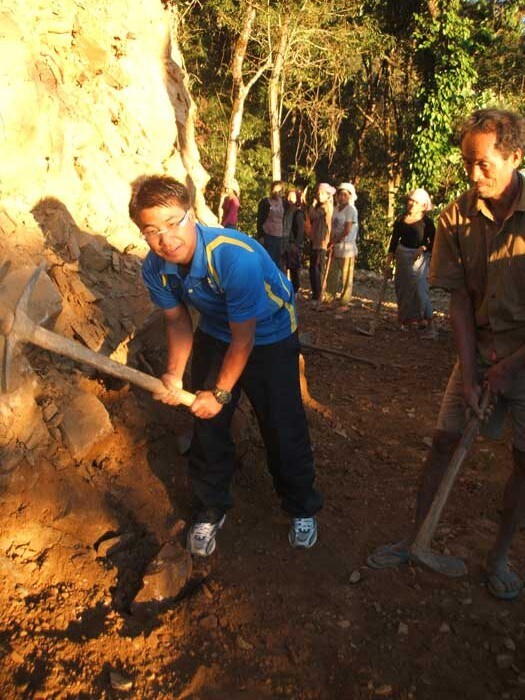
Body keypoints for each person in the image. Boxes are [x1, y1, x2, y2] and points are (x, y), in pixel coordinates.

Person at [367, 108, 525, 600]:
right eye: (465, 164)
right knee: (442, 441)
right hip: (476, 353)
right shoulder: (456, 216)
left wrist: (508, 368)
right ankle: (417, 537)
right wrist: (473, 368)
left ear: (515, 156)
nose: (473, 175)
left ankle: (498, 558)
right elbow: (456, 299)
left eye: (484, 164)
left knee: (524, 462)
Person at [129, 175, 323, 557]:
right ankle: (211, 506)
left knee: (282, 425)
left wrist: (220, 392)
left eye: (173, 223)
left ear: (192, 215)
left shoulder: (234, 257)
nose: (165, 239)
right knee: (207, 426)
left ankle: (301, 507)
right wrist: (173, 373)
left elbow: (245, 339)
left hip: (270, 334)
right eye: (151, 231)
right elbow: (178, 321)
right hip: (217, 333)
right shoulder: (155, 268)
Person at [386, 188, 436, 337]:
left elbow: (435, 241)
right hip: (402, 255)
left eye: (416, 202)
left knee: (420, 289)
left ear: (424, 206)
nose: (412, 204)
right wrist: (390, 257)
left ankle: (430, 323)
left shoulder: (427, 223)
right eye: (411, 201)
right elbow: (394, 240)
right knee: (403, 288)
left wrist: (423, 247)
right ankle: (406, 320)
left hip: (419, 259)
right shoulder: (401, 220)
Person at [327, 182, 359, 309]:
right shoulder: (336, 209)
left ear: (350, 196)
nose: (341, 197)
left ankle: (345, 303)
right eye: (340, 194)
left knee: (346, 277)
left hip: (347, 247)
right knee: (332, 274)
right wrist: (331, 241)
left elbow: (347, 230)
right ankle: (329, 298)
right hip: (335, 246)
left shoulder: (351, 210)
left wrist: (334, 241)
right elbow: (333, 226)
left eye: (344, 195)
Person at [308, 183, 335, 302]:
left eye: (322, 193)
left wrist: (312, 205)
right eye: (318, 193)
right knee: (313, 268)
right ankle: (316, 293)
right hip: (317, 241)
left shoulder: (325, 206)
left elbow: (312, 215)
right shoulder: (323, 206)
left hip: (322, 242)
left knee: (317, 269)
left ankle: (318, 294)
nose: (319, 196)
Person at [257, 180, 285, 268]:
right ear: (272, 190)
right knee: (267, 260)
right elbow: (260, 219)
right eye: (275, 191)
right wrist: (261, 235)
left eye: (280, 191)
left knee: (276, 262)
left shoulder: (284, 203)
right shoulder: (265, 202)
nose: (277, 193)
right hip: (267, 235)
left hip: (279, 236)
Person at [282, 188, 305, 294]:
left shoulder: (298, 213)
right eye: (289, 196)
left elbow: (301, 229)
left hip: (293, 243)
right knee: (284, 266)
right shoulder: (285, 211)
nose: (290, 199)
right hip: (284, 241)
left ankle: (296, 290)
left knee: (294, 268)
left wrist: (296, 244)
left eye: (293, 196)